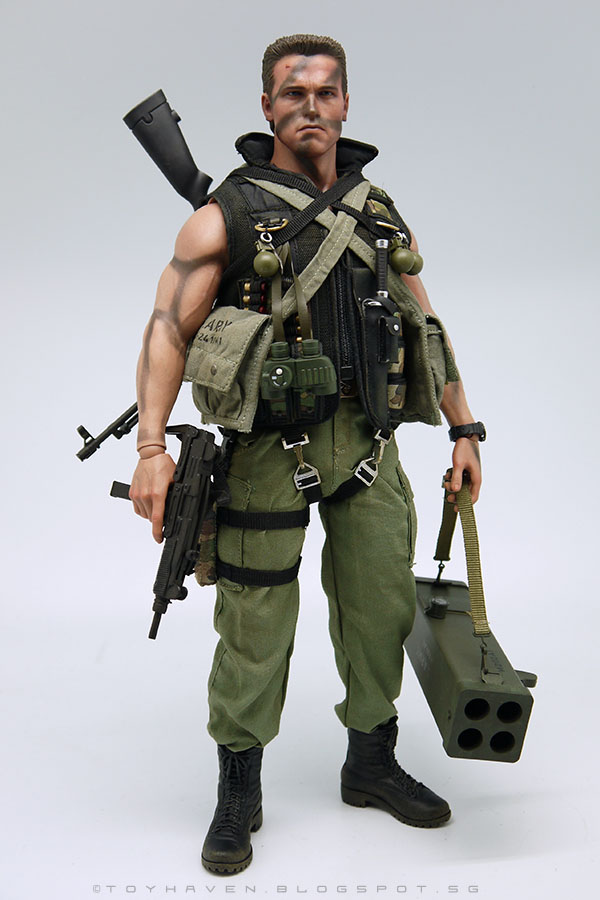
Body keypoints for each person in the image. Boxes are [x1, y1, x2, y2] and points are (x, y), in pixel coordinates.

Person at [129, 34, 483, 876]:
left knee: (380, 608)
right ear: (268, 107)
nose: (311, 106)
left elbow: (426, 325)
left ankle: (371, 761)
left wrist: (465, 429)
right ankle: (239, 788)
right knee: (253, 622)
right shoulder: (224, 213)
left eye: (326, 92)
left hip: (370, 443)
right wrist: (151, 447)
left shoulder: (378, 211)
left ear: (346, 104)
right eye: (293, 93)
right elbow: (168, 327)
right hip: (266, 450)